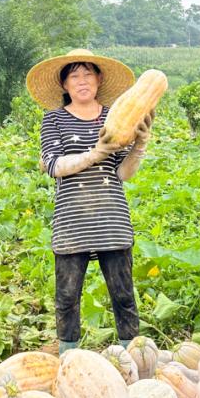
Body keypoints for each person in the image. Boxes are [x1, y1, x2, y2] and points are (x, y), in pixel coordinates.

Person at [27, 49, 153, 354]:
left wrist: (140, 145)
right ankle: (69, 359)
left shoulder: (117, 116)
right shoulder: (53, 120)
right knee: (67, 296)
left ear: (98, 79)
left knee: (123, 295)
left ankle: (132, 357)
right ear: (64, 85)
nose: (81, 81)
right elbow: (54, 166)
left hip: (112, 217)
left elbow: (123, 173)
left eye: (87, 74)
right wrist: (94, 154)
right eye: (74, 76)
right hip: (72, 221)